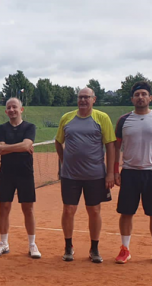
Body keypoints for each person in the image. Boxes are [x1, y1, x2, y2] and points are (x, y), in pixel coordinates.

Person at [113, 81, 152, 265]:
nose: (140, 97)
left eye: (144, 94)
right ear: (132, 99)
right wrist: (116, 171)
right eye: (137, 95)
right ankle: (125, 249)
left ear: (150, 98)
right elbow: (116, 147)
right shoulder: (123, 120)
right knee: (126, 213)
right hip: (129, 173)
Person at [55, 87, 116, 263]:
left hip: (95, 175)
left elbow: (110, 145)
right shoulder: (67, 118)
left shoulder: (102, 118)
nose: (83, 100)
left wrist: (110, 173)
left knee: (94, 210)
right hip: (70, 176)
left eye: (86, 97)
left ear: (93, 99)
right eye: (80, 97)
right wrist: (63, 160)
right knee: (68, 210)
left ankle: (94, 249)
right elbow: (58, 142)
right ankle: (68, 247)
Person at [0, 98, 40, 259]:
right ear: (6, 111)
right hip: (6, 174)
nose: (12, 110)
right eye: (9, 108)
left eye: (14, 107)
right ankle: (3, 243)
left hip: (25, 173)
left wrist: (5, 147)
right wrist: (20, 147)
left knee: (28, 209)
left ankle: (32, 245)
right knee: (4, 208)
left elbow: (26, 145)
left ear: (21, 109)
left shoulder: (30, 127)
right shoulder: (1, 128)